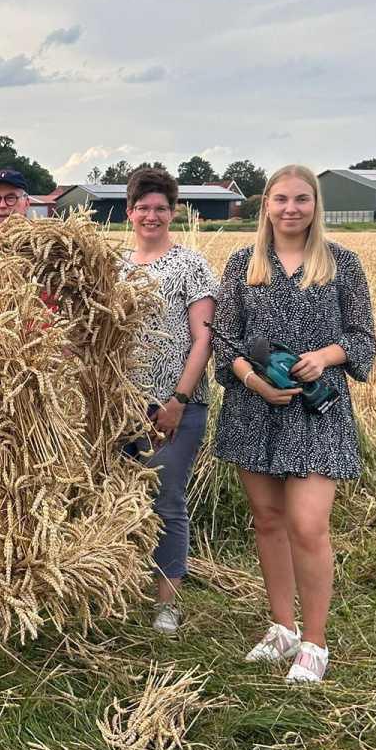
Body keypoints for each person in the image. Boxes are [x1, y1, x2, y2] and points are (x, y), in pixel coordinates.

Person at [212, 164, 376, 683]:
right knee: (268, 520)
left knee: (308, 526)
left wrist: (324, 357)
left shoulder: (342, 264)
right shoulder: (242, 264)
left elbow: (363, 338)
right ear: (266, 205)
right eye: (281, 199)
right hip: (254, 410)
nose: (291, 208)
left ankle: (315, 642)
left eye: (301, 199)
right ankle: (282, 627)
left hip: (316, 412)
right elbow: (224, 341)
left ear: (315, 205)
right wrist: (253, 381)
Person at [120, 168, 217, 636]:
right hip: (120, 405)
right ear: (129, 212)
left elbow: (204, 338)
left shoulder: (190, 265)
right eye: (143, 207)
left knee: (166, 499)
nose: (151, 216)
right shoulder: (116, 266)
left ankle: (167, 603)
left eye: (160, 208)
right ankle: (118, 586)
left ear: (173, 212)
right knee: (119, 496)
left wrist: (178, 399)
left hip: (174, 406)